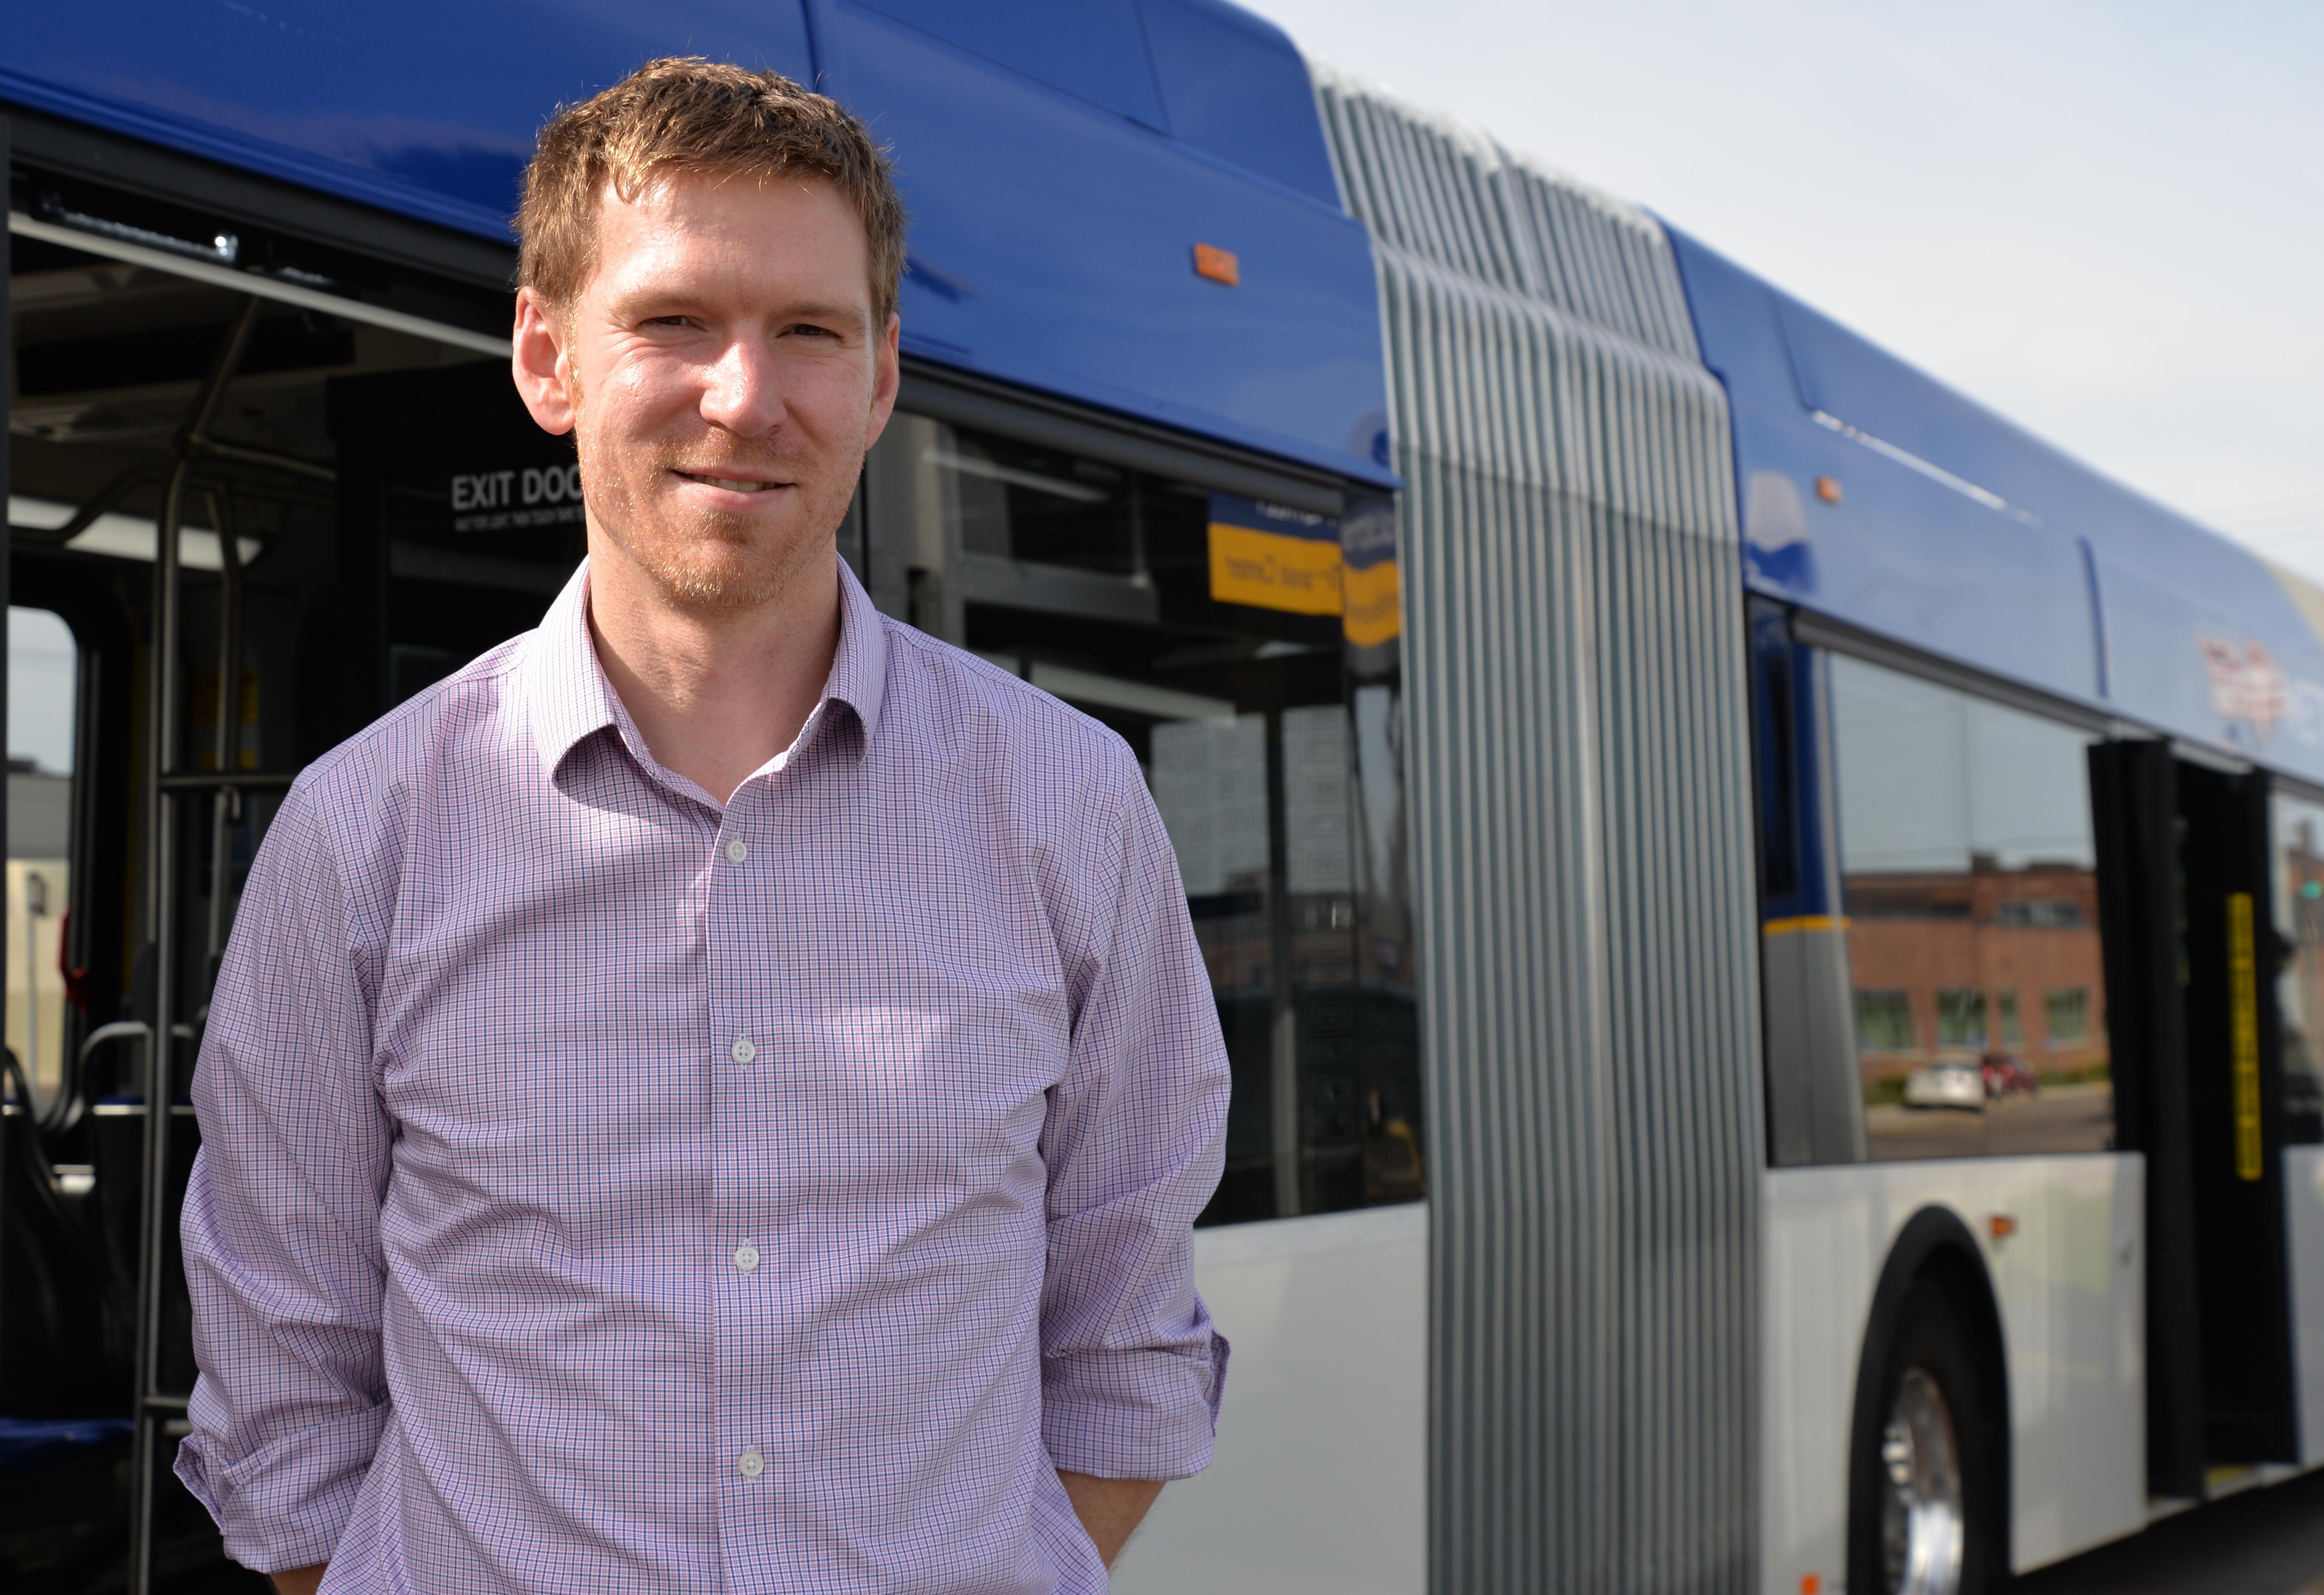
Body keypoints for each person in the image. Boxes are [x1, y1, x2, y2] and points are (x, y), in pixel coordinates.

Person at [174, 58, 1230, 1595]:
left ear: (877, 382)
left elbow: (1124, 1330)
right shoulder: (363, 835)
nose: (745, 397)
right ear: (548, 361)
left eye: (809, 330)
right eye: (674, 321)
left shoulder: (1070, 808)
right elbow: (284, 1385)